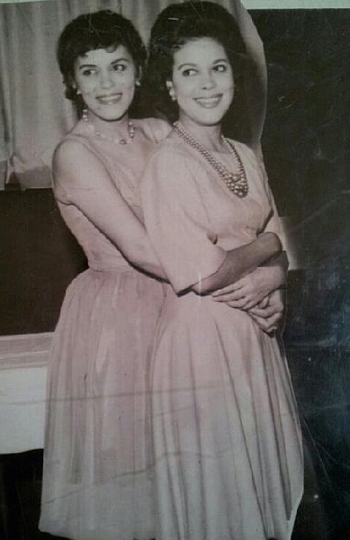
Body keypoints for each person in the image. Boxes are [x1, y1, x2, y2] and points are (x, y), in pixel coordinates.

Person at [141, 2, 304, 539]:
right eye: (189, 72)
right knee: (220, 505)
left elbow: (282, 244)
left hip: (255, 334)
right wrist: (268, 246)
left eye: (218, 68)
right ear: (168, 85)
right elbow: (205, 274)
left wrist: (276, 275)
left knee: (264, 490)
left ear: (235, 73)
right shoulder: (168, 163)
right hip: (202, 347)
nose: (207, 85)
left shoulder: (243, 153)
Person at [38, 10, 172, 540]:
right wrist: (229, 285)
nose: (106, 83)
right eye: (89, 71)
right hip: (120, 309)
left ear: (138, 70)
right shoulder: (74, 153)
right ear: (72, 82)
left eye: (117, 66)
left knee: (180, 450)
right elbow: (139, 247)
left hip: (180, 296)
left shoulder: (160, 131)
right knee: (130, 460)